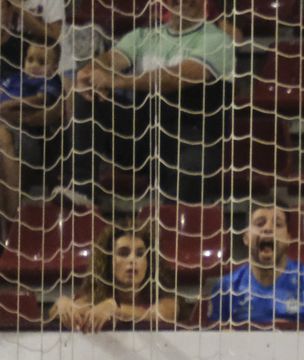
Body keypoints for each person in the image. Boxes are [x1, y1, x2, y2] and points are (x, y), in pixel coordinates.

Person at [60, 0, 234, 206]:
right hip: (144, 137)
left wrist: (120, 80)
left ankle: (170, 227)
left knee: (191, 167)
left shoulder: (217, 40)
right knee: (86, 94)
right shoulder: (143, 37)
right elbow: (109, 59)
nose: (183, 2)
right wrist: (87, 73)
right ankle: (82, 192)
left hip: (193, 140)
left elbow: (177, 77)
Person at [50, 219, 180, 330]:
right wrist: (62, 304)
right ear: (108, 260)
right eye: (123, 253)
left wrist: (115, 310)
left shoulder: (164, 297)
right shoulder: (95, 297)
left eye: (140, 254)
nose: (132, 260)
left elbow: (161, 315)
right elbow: (67, 310)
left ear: (149, 262)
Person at [206, 203, 304, 328]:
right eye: (259, 223)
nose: (268, 229)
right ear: (246, 237)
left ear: (288, 238)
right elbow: (214, 339)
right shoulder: (227, 287)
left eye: (277, 224)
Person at [0, 38, 61, 225]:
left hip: (27, 138)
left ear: (54, 66)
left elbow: (40, 101)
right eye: (30, 59)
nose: (34, 65)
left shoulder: (50, 80)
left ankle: (11, 224)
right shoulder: (12, 79)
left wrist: (9, 104)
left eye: (42, 62)